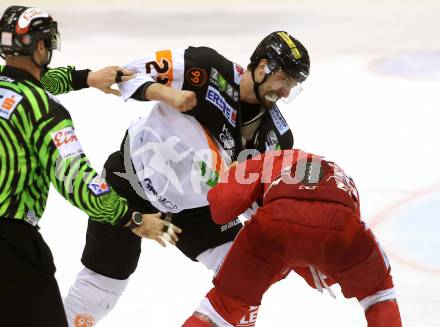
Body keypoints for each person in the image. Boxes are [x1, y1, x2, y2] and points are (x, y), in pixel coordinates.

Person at [62, 31, 310, 327]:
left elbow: (261, 204)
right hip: (129, 184)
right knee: (99, 293)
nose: (285, 92)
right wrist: (167, 93)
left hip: (197, 210)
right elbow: (129, 74)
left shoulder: (277, 137)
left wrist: (301, 249)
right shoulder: (205, 67)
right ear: (262, 67)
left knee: (248, 272)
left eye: (292, 86)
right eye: (284, 80)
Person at [0, 6, 180, 327]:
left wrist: (84, 78)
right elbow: (77, 181)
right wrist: (132, 219)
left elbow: (32, 82)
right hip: (11, 250)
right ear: (40, 48)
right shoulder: (44, 112)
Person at [182, 149, 403, 327]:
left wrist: (229, 179)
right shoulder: (334, 171)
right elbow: (327, 237)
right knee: (379, 295)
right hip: (340, 221)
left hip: (274, 223)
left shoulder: (263, 160)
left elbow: (220, 209)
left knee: (220, 308)